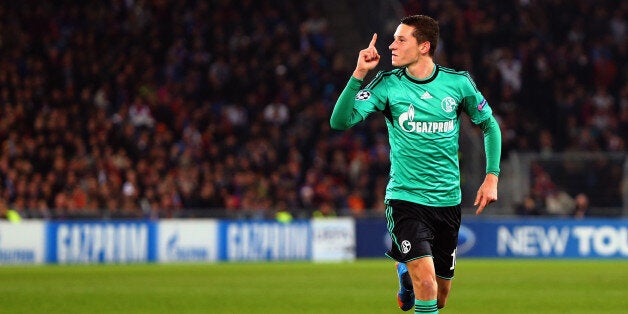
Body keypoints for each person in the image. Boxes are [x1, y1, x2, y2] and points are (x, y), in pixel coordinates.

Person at [330, 15, 501, 313]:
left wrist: (492, 176)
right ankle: (411, 278)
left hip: (447, 203)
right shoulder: (386, 85)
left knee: (441, 296)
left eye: (400, 39)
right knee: (427, 285)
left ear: (424, 46)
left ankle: (404, 278)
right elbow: (340, 121)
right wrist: (358, 73)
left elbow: (490, 126)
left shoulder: (458, 84)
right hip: (405, 199)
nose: (392, 45)